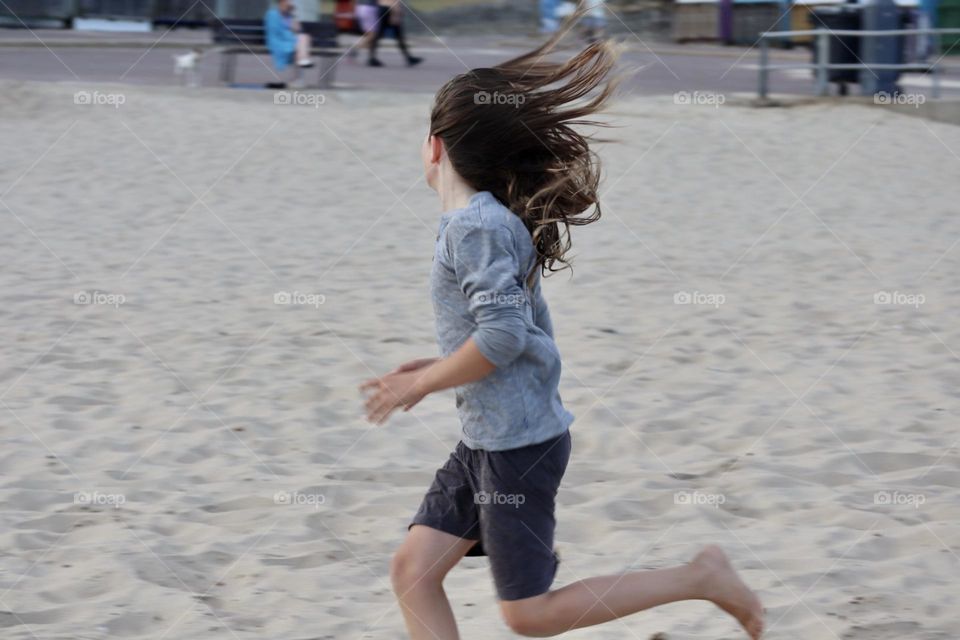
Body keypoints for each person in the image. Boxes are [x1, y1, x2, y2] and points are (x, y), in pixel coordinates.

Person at [358, 14, 765, 640]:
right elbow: (496, 328)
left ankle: (700, 576)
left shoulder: (477, 226)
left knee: (529, 615)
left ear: (436, 144)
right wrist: (434, 366)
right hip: (487, 436)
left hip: (518, 445)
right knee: (414, 569)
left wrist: (426, 384)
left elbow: (502, 338)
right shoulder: (479, 223)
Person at [264, 0, 314, 78]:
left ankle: (302, 61)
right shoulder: (272, 14)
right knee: (301, 42)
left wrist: (294, 15)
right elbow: (275, 32)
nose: (288, 5)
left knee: (304, 37)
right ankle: (302, 62)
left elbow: (298, 29)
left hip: (289, 40)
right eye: (286, 3)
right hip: (277, 41)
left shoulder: (289, 16)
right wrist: (291, 35)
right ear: (280, 3)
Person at [367, 0, 422, 67]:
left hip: (382, 8)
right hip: (390, 9)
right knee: (398, 35)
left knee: (379, 34)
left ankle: (371, 58)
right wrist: (396, 13)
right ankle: (409, 58)